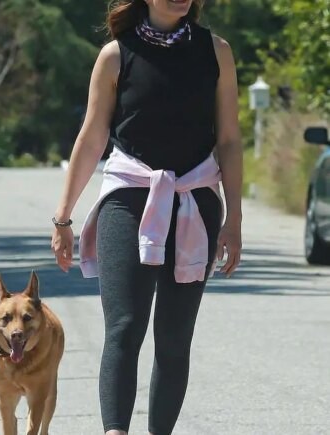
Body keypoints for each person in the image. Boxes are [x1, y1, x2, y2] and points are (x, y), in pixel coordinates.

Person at [51, 0, 243, 434]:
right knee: (124, 325)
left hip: (195, 200)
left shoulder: (217, 51)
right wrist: (63, 216)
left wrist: (234, 217)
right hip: (130, 198)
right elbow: (93, 134)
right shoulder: (117, 54)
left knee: (174, 340)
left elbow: (229, 138)